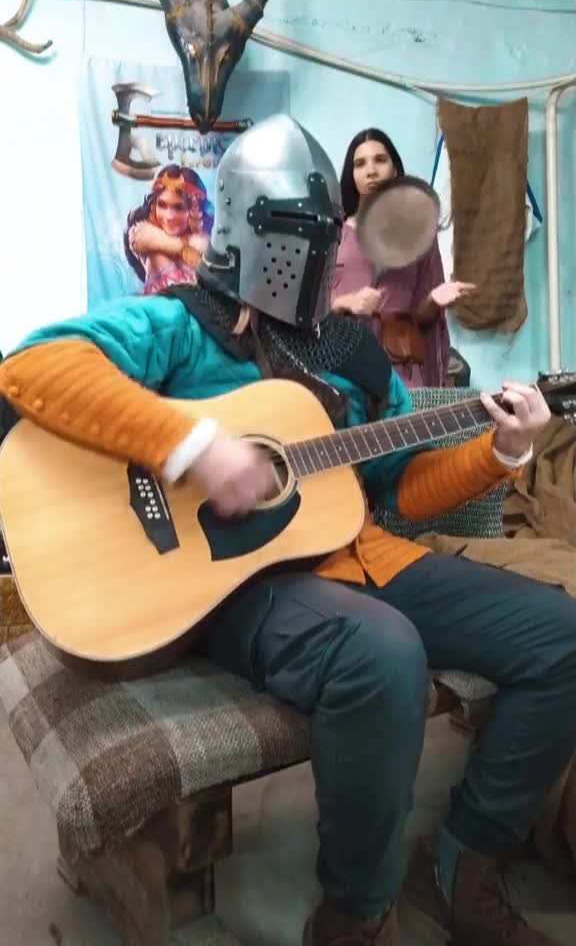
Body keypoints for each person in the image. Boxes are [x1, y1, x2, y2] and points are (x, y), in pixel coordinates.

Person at [1, 114, 574, 946]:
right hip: (238, 582)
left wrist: (503, 452)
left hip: (365, 557)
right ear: (243, 226)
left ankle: (465, 859)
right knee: (381, 653)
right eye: (290, 235)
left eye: (319, 237)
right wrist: (193, 446)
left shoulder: (351, 352)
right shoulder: (183, 323)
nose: (305, 256)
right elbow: (33, 367)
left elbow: (402, 488)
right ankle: (355, 913)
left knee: (561, 634)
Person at [334, 128, 475, 387]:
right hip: (343, 369)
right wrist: (346, 302)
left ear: (394, 168)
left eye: (380, 160)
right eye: (360, 164)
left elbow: (422, 322)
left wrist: (433, 300)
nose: (371, 170)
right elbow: (311, 311)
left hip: (400, 373)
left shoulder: (418, 234)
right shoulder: (334, 233)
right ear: (351, 175)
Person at [124, 163, 214, 294]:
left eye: (179, 207)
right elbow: (141, 238)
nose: (169, 216)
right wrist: (186, 247)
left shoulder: (205, 239)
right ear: (153, 205)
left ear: (196, 209)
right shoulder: (144, 236)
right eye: (162, 205)